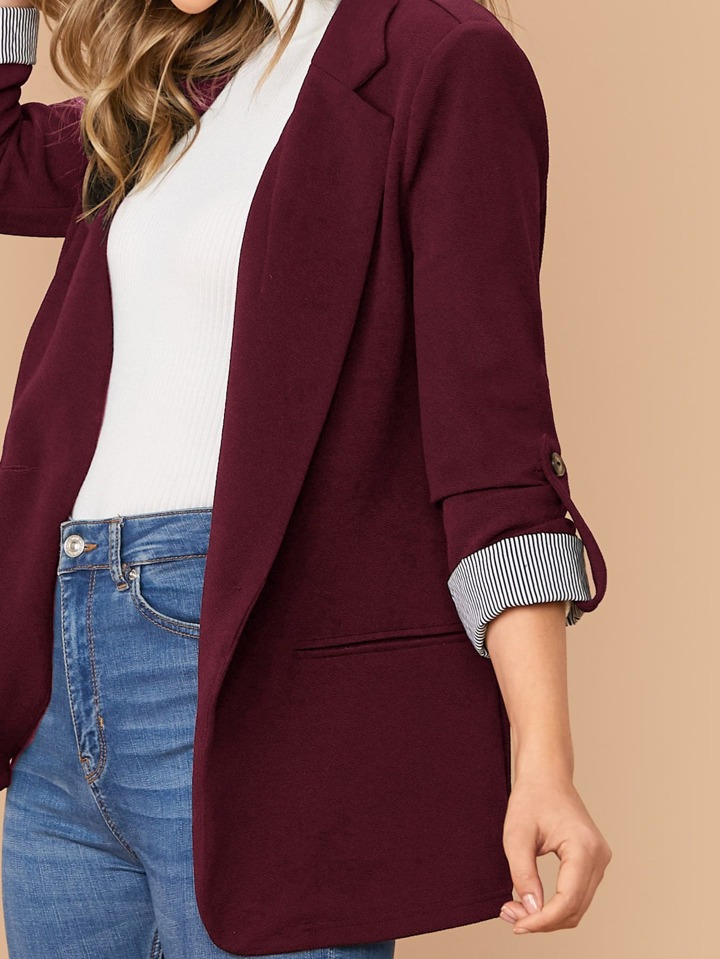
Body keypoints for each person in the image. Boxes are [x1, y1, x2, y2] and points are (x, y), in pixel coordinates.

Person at [0, 0, 612, 956]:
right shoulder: (180, 79)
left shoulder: (442, 59)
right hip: (60, 678)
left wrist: (544, 754)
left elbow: (491, 436)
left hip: (250, 667)